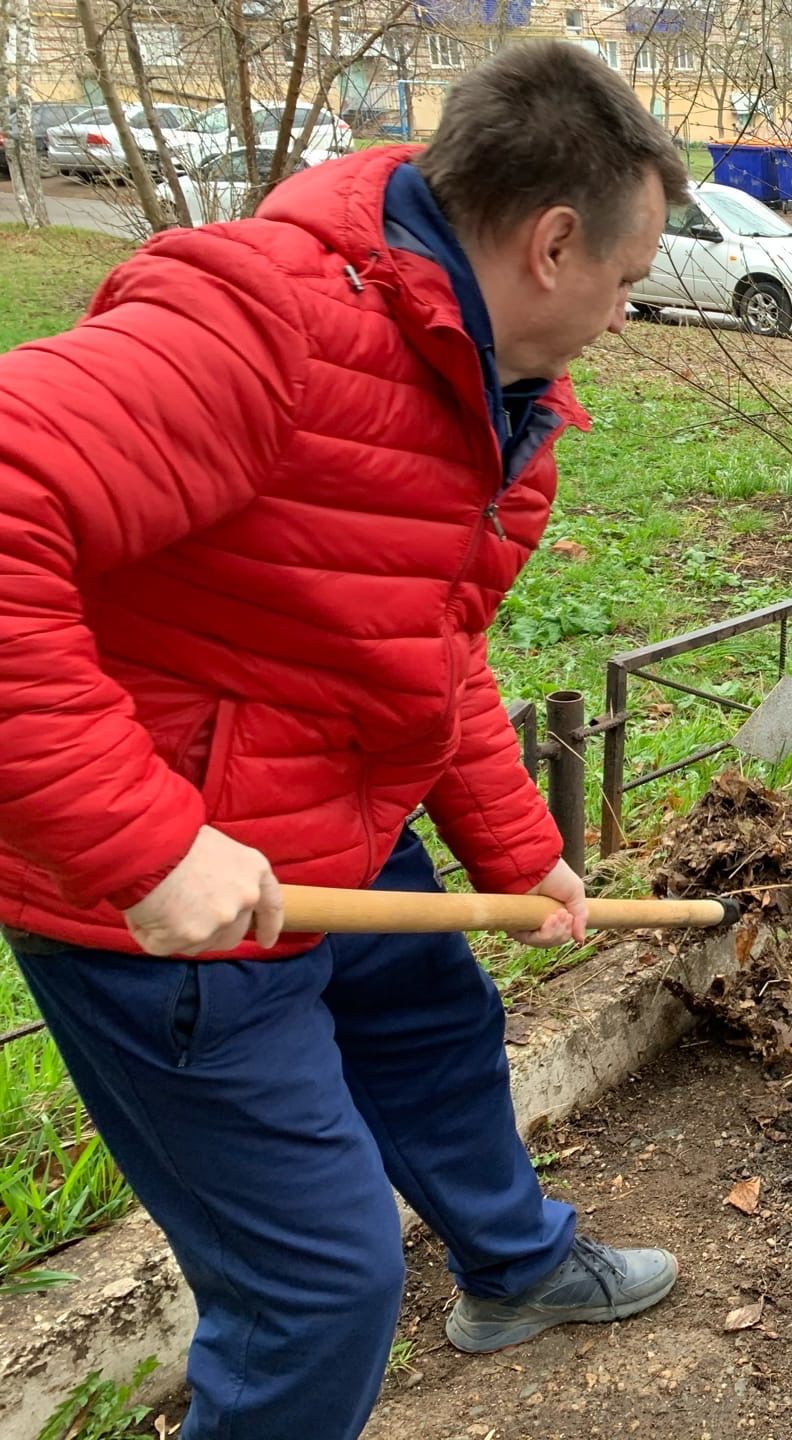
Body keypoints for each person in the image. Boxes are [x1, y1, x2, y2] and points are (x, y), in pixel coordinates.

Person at [0, 45, 689, 1440]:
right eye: (627, 282)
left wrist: (520, 852)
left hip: (326, 811)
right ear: (552, 245)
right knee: (318, 1289)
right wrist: (145, 840)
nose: (625, 315)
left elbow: (420, 642)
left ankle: (517, 1270)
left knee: (437, 1029)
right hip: (166, 902)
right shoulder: (265, 328)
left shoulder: (495, 399)